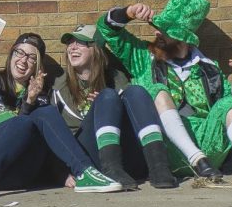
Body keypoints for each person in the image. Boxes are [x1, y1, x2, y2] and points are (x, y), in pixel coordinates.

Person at [96, 0, 232, 181]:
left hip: (210, 147)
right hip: (167, 150)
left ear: (183, 40)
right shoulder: (144, 57)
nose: (156, 34)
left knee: (228, 103)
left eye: (164, 32)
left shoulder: (209, 68)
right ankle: (196, 159)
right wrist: (128, 12)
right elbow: (106, 31)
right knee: (158, 90)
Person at [0, 27, 123, 203]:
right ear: (11, 55)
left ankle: (85, 172)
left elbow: (37, 139)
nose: (23, 60)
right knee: (24, 123)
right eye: (19, 52)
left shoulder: (39, 98)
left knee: (44, 113)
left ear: (37, 67)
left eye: (31, 57)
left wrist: (29, 102)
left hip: (8, 175)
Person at [50, 24, 178, 190]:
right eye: (70, 43)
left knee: (136, 91)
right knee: (107, 97)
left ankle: (159, 167)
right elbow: (53, 135)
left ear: (96, 48)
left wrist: (110, 106)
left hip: (127, 157)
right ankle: (111, 169)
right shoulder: (59, 86)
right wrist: (61, 173)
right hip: (91, 158)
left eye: (80, 42)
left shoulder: (117, 79)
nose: (72, 47)